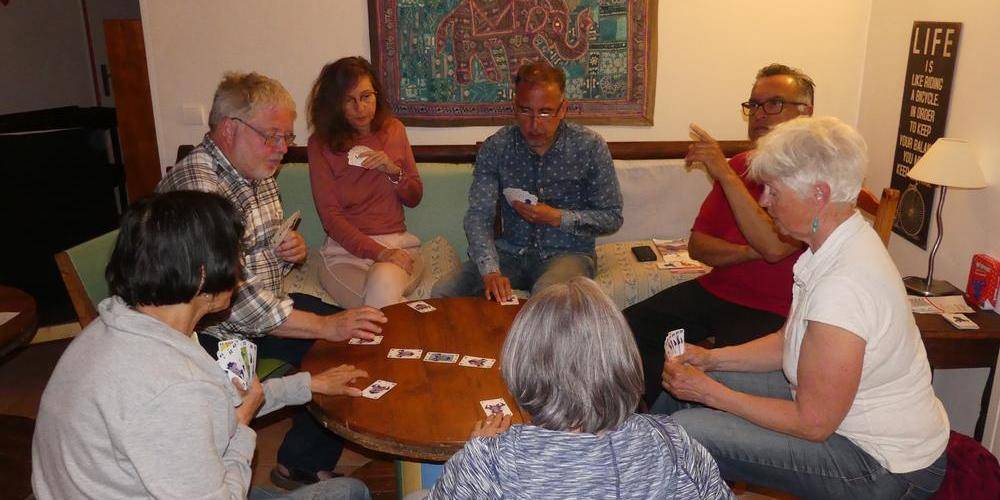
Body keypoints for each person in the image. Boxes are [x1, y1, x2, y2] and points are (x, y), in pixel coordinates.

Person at [657, 116, 950, 499]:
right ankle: (630, 465)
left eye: (773, 191)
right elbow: (787, 342)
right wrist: (711, 361)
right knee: (678, 392)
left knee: (687, 432)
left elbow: (813, 424)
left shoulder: (844, 285)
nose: (764, 201)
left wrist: (710, 393)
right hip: (837, 420)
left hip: (882, 467)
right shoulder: (832, 245)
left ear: (819, 194)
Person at [31, 191, 370, 500]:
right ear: (203, 275)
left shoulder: (119, 328)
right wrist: (242, 429)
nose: (242, 270)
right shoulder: (173, 387)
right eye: (236, 257)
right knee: (350, 492)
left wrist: (309, 385)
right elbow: (204, 415)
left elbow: (209, 411)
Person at [157, 71, 386, 487]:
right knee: (332, 336)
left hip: (256, 314)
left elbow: (260, 261)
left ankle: (299, 461)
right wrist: (322, 325)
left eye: (287, 137)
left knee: (353, 340)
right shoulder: (199, 189)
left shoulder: (256, 172)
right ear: (230, 129)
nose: (282, 149)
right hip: (208, 331)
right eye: (272, 136)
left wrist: (289, 251)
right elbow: (231, 296)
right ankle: (291, 464)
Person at [426, 277, 733, 499]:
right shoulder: (674, 442)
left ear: (521, 366)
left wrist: (475, 449)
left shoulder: (489, 460)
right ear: (624, 359)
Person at [624, 63, 814, 406]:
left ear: (806, 113)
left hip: (773, 310)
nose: (759, 115)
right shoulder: (742, 164)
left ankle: (695, 431)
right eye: (754, 105)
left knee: (723, 374)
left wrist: (726, 175)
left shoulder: (812, 175)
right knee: (628, 328)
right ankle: (657, 421)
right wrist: (747, 251)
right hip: (718, 290)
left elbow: (773, 246)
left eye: (773, 104)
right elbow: (698, 246)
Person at [431, 61, 623, 302]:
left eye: (545, 112)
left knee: (546, 297)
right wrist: (490, 269)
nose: (534, 125)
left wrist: (558, 217)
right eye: (525, 111)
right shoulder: (497, 147)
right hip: (510, 252)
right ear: (514, 107)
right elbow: (478, 216)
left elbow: (612, 217)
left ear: (563, 109)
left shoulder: (590, 146)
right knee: (442, 292)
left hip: (568, 253)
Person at [307, 57, 424, 309]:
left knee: (382, 284)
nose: (360, 107)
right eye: (349, 100)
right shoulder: (320, 144)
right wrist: (378, 252)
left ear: (377, 95)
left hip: (396, 243)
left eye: (366, 96)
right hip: (345, 254)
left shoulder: (394, 129)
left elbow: (414, 197)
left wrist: (393, 171)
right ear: (334, 105)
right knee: (381, 302)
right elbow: (330, 217)